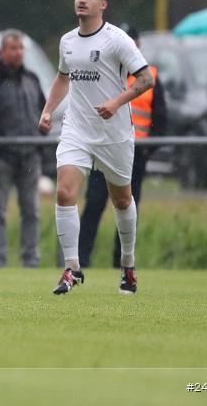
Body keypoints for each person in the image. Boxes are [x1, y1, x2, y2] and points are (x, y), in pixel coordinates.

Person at [39, 0, 154, 295]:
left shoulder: (117, 40)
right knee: (64, 193)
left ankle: (128, 266)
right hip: (77, 128)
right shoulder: (67, 41)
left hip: (114, 133)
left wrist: (116, 103)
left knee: (122, 199)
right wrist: (48, 110)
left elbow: (146, 80)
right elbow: (63, 77)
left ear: (103, 4)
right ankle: (72, 268)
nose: (82, 0)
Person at [79, 24, 167, 268]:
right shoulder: (103, 69)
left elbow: (160, 117)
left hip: (134, 151)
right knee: (95, 203)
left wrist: (148, 149)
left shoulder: (151, 75)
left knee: (127, 203)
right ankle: (81, 259)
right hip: (103, 145)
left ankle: (122, 261)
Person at [0, 29, 46, 268]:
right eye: (13, 48)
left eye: (21, 48)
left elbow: (43, 111)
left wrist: (40, 141)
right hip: (2, 155)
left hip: (30, 155)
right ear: (3, 51)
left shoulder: (32, 78)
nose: (18, 52)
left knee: (31, 211)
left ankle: (30, 259)